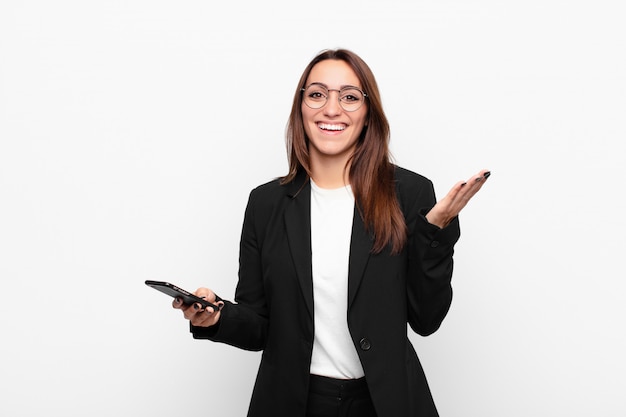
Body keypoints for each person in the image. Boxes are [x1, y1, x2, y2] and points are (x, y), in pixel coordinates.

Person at [172, 48, 490, 417]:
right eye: (318, 94)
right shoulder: (266, 203)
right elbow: (260, 326)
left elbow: (426, 320)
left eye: (350, 97)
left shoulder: (410, 193)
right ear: (301, 107)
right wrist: (217, 316)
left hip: (384, 403)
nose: (332, 109)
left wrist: (435, 231)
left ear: (369, 114)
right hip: (295, 402)